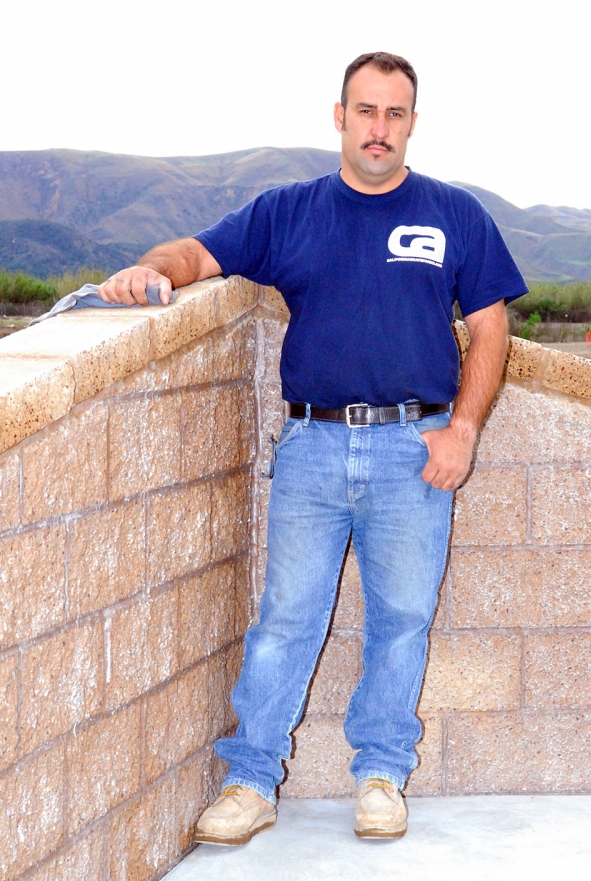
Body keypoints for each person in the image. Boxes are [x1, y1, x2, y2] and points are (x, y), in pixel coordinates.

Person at [99, 51, 527, 843]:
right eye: (365, 111)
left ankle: (381, 775)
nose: (379, 129)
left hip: (416, 449)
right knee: (286, 620)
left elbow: (491, 326)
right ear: (339, 116)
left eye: (394, 114)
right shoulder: (288, 211)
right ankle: (251, 780)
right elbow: (193, 255)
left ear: (412, 124)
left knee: (402, 618)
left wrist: (462, 429)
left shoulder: (455, 214)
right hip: (313, 448)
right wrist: (148, 270)